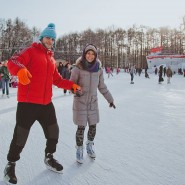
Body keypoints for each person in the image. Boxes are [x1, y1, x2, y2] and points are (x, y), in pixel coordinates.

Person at [3, 23, 81, 185]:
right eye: (48, 37)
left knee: (54, 132)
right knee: (20, 136)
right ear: (41, 38)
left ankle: (49, 157)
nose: (50, 41)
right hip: (28, 104)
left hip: (46, 104)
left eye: (53, 39)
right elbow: (13, 61)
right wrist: (20, 70)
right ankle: (10, 165)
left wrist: (71, 86)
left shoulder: (51, 59)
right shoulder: (30, 51)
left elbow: (57, 80)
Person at [70, 44, 116, 164]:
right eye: (88, 53)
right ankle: (79, 149)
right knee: (81, 128)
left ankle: (89, 145)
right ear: (84, 54)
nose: (90, 56)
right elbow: (71, 84)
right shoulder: (77, 68)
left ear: (95, 56)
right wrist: (76, 90)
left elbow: (102, 87)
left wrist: (110, 99)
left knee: (93, 127)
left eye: (93, 54)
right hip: (80, 102)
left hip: (92, 103)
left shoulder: (98, 70)